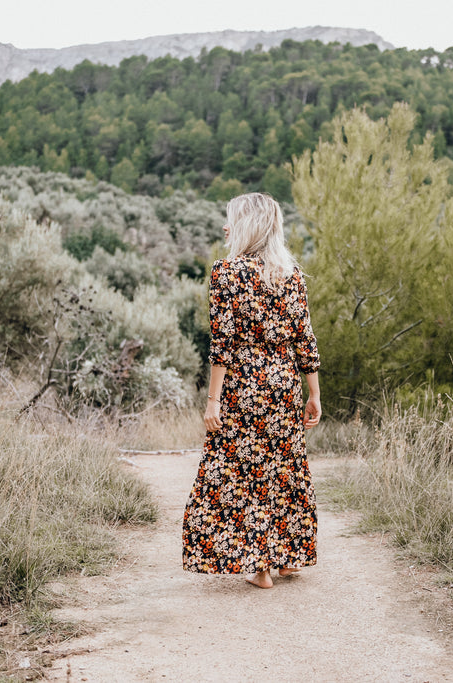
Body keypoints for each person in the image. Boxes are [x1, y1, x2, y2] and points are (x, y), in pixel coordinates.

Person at [182, 192, 321, 589]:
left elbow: (222, 343)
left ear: (246, 225)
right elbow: (305, 340)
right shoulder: (290, 273)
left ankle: (260, 567)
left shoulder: (226, 272)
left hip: (243, 386)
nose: (225, 227)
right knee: (283, 466)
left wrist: (212, 401)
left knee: (243, 471)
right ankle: (289, 557)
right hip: (282, 385)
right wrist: (314, 394)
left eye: (230, 220)